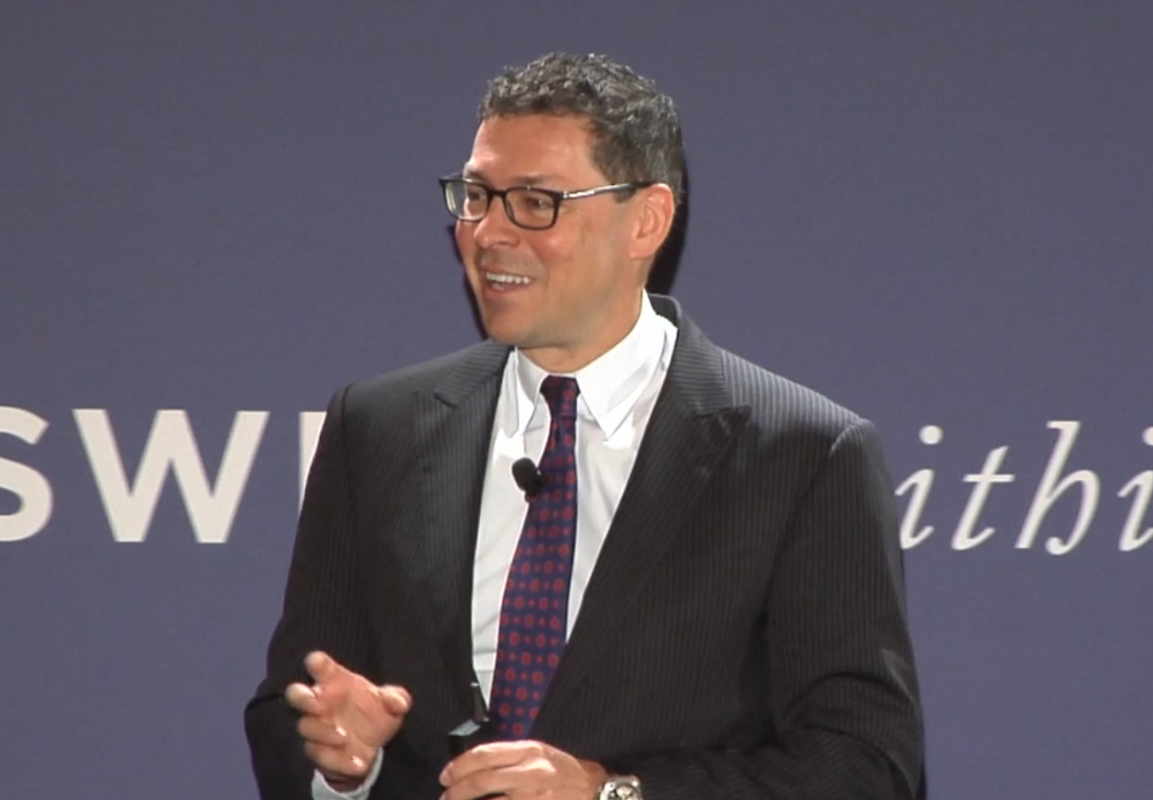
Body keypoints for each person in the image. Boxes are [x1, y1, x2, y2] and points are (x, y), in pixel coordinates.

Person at [245, 52, 925, 800]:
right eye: (476, 196)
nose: (489, 233)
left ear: (648, 221)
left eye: (535, 202)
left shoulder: (801, 456)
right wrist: (345, 764)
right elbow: (291, 712)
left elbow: (867, 768)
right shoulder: (377, 429)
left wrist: (613, 793)